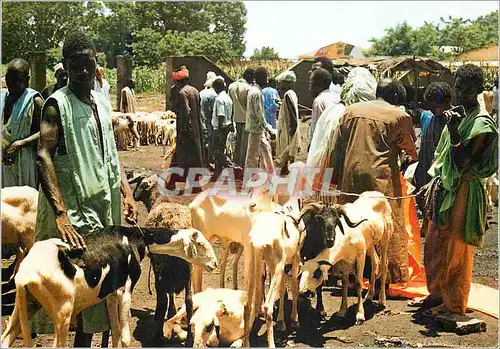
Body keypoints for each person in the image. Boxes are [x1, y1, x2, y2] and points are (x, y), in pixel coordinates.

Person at [33, 30, 138, 346]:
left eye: (88, 65)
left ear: (97, 64)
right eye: (75, 65)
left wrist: (127, 192)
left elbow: (110, 151)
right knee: (77, 289)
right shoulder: (57, 105)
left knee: (104, 284)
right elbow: (42, 155)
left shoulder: (101, 100)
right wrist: (61, 213)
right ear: (65, 65)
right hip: (74, 213)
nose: (82, 72)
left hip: (104, 206)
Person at [417, 64, 498, 316]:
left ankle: (453, 303)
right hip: (446, 188)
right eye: (459, 86)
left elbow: (463, 162)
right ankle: (437, 293)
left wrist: (453, 132)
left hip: (463, 190)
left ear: (478, 90)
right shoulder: (458, 115)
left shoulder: (481, 123)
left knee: (456, 249)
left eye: (468, 88)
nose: (462, 92)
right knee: (435, 243)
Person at [330, 78, 418, 284]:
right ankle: (387, 276)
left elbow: (337, 149)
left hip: (351, 177)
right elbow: (410, 151)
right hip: (381, 181)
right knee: (385, 227)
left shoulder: (350, 112)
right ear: (396, 97)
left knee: (352, 224)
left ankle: (349, 274)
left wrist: (335, 178)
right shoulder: (399, 116)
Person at [1, 58, 44, 189]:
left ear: (27, 80)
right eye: (9, 79)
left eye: (19, 80)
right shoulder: (2, 97)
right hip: (3, 161)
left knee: (25, 204)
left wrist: (21, 143)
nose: (12, 84)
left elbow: (47, 132)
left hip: (25, 163)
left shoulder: (34, 101)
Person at [413, 82, 452, 212]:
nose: (438, 111)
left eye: (440, 106)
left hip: (443, 177)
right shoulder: (426, 117)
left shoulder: (454, 121)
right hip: (424, 171)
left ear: (448, 102)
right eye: (433, 107)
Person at [167, 65, 205, 192]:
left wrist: (185, 130)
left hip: (186, 130)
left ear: (179, 81)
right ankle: (194, 184)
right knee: (194, 157)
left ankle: (173, 182)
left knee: (182, 157)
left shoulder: (182, 93)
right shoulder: (195, 91)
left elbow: (186, 111)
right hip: (196, 128)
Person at [245, 67, 275, 178]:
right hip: (256, 127)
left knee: (266, 149)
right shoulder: (256, 93)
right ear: (262, 78)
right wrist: (268, 128)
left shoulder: (254, 90)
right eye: (266, 76)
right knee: (252, 155)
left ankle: (270, 174)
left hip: (257, 127)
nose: (267, 79)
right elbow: (259, 113)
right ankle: (249, 179)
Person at [275, 71, 300, 174]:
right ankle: (286, 168)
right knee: (289, 148)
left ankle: (284, 167)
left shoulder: (288, 95)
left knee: (285, 147)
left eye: (281, 83)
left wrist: (292, 128)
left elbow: (291, 112)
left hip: (287, 126)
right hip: (289, 125)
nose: (279, 85)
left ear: (286, 83)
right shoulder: (291, 94)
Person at [228, 68, 254, 167]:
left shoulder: (232, 86)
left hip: (235, 118)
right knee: (245, 145)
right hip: (246, 120)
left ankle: (236, 164)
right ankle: (242, 165)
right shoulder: (248, 88)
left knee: (237, 144)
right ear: (251, 78)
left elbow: (230, 103)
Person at [211, 76, 234, 171]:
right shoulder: (228, 98)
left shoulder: (219, 99)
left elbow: (221, 115)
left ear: (216, 87)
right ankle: (220, 169)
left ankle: (229, 165)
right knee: (221, 149)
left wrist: (218, 131)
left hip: (220, 128)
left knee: (216, 150)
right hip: (227, 126)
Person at [309, 67, 336, 141]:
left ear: (318, 85)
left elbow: (316, 129)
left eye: (311, 83)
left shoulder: (319, 101)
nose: (309, 87)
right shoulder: (335, 97)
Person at [200, 71, 217, 165]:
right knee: (208, 144)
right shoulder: (213, 95)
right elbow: (214, 111)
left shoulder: (201, 92)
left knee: (203, 143)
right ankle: (206, 164)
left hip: (201, 122)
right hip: (208, 123)